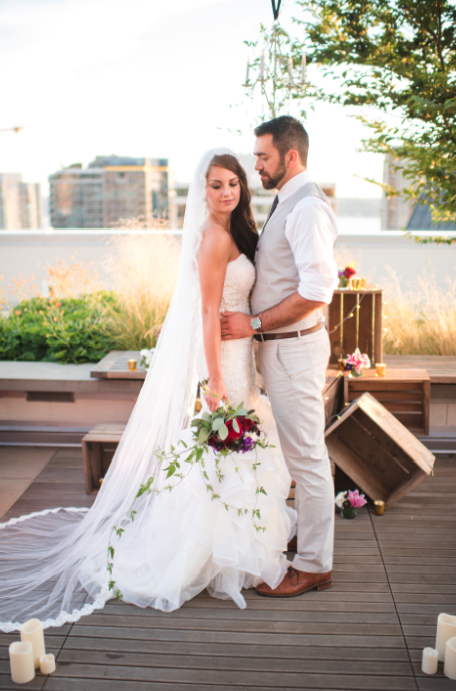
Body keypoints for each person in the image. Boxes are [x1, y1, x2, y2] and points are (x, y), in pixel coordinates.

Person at [0, 149, 296, 630]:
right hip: (221, 362)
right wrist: (215, 379)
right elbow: (205, 312)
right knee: (219, 450)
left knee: (231, 451)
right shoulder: (212, 239)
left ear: (242, 189)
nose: (225, 192)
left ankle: (234, 548)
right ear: (201, 191)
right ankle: (207, 554)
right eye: (216, 184)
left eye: (233, 184)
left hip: (239, 356)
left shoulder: (234, 233)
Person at [221, 115, 339, 597]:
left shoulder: (308, 208)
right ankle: (300, 537)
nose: (256, 165)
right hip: (281, 351)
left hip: (294, 351)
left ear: (290, 156)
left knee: (308, 459)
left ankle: (313, 564)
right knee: (293, 455)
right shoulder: (286, 200)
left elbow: (318, 289)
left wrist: (251, 325)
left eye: (263, 156)